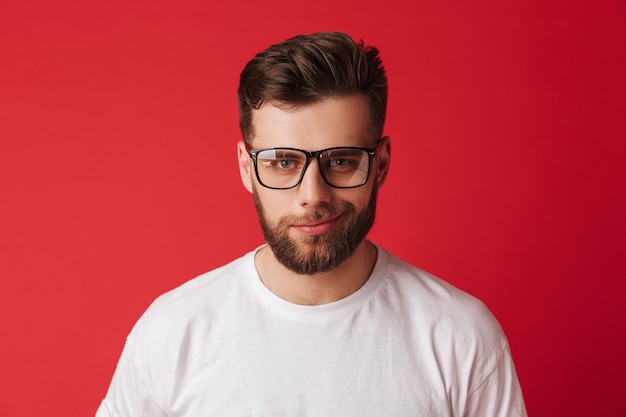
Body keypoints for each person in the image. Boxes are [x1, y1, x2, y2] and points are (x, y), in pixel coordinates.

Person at [96, 31, 527, 416]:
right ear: (247, 168)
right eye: (283, 162)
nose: (313, 194)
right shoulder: (174, 332)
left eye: (341, 161)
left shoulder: (459, 335)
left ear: (382, 165)